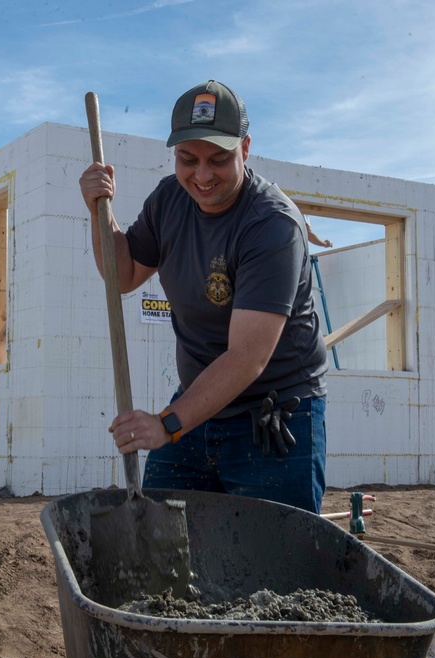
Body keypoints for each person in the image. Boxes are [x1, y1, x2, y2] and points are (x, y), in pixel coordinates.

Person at [79, 80, 329, 513]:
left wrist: (167, 423)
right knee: (165, 538)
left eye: (219, 159)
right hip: (198, 402)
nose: (202, 175)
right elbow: (122, 275)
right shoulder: (169, 200)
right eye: (187, 159)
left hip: (272, 416)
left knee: (272, 561)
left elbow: (247, 357)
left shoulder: (271, 226)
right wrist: (100, 210)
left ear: (245, 149)